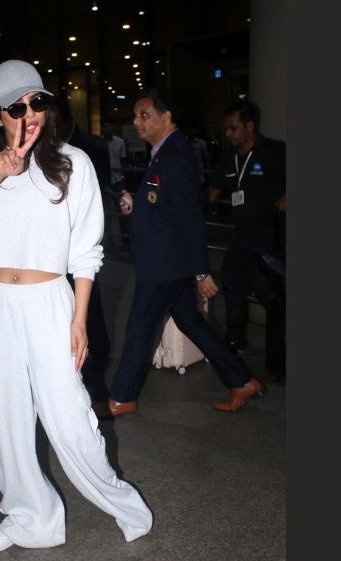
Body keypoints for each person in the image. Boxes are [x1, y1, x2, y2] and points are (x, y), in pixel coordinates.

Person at [0, 60, 153, 553]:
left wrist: (79, 319)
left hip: (48, 301)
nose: (29, 113)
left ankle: (122, 503)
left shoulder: (72, 164)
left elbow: (86, 251)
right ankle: (32, 518)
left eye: (37, 102)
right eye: (16, 107)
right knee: (2, 417)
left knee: (69, 415)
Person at [106, 88, 266, 416]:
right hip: (169, 261)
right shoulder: (163, 153)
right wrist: (136, 204)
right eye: (135, 115)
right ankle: (241, 381)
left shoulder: (175, 156)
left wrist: (201, 271)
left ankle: (122, 396)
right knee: (192, 322)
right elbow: (163, 205)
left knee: (139, 327)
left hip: (165, 264)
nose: (136, 122)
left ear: (166, 117)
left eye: (144, 115)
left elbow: (190, 217)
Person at [207, 100, 286, 353]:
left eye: (233, 128)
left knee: (271, 293)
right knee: (232, 280)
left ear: (250, 126)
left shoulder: (275, 151)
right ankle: (236, 337)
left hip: (269, 235)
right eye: (226, 129)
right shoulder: (229, 156)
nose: (228, 134)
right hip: (241, 234)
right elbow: (213, 190)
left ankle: (280, 349)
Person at [56, 100, 112, 408]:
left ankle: (95, 386)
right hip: (50, 253)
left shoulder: (90, 148)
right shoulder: (34, 151)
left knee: (90, 315)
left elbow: (100, 193)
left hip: (81, 243)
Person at [101, 116, 127, 188]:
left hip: (118, 177)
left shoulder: (120, 142)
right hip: (104, 177)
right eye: (105, 126)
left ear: (112, 127)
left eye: (109, 126)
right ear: (102, 128)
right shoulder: (98, 141)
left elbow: (122, 159)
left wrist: (123, 176)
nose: (107, 128)